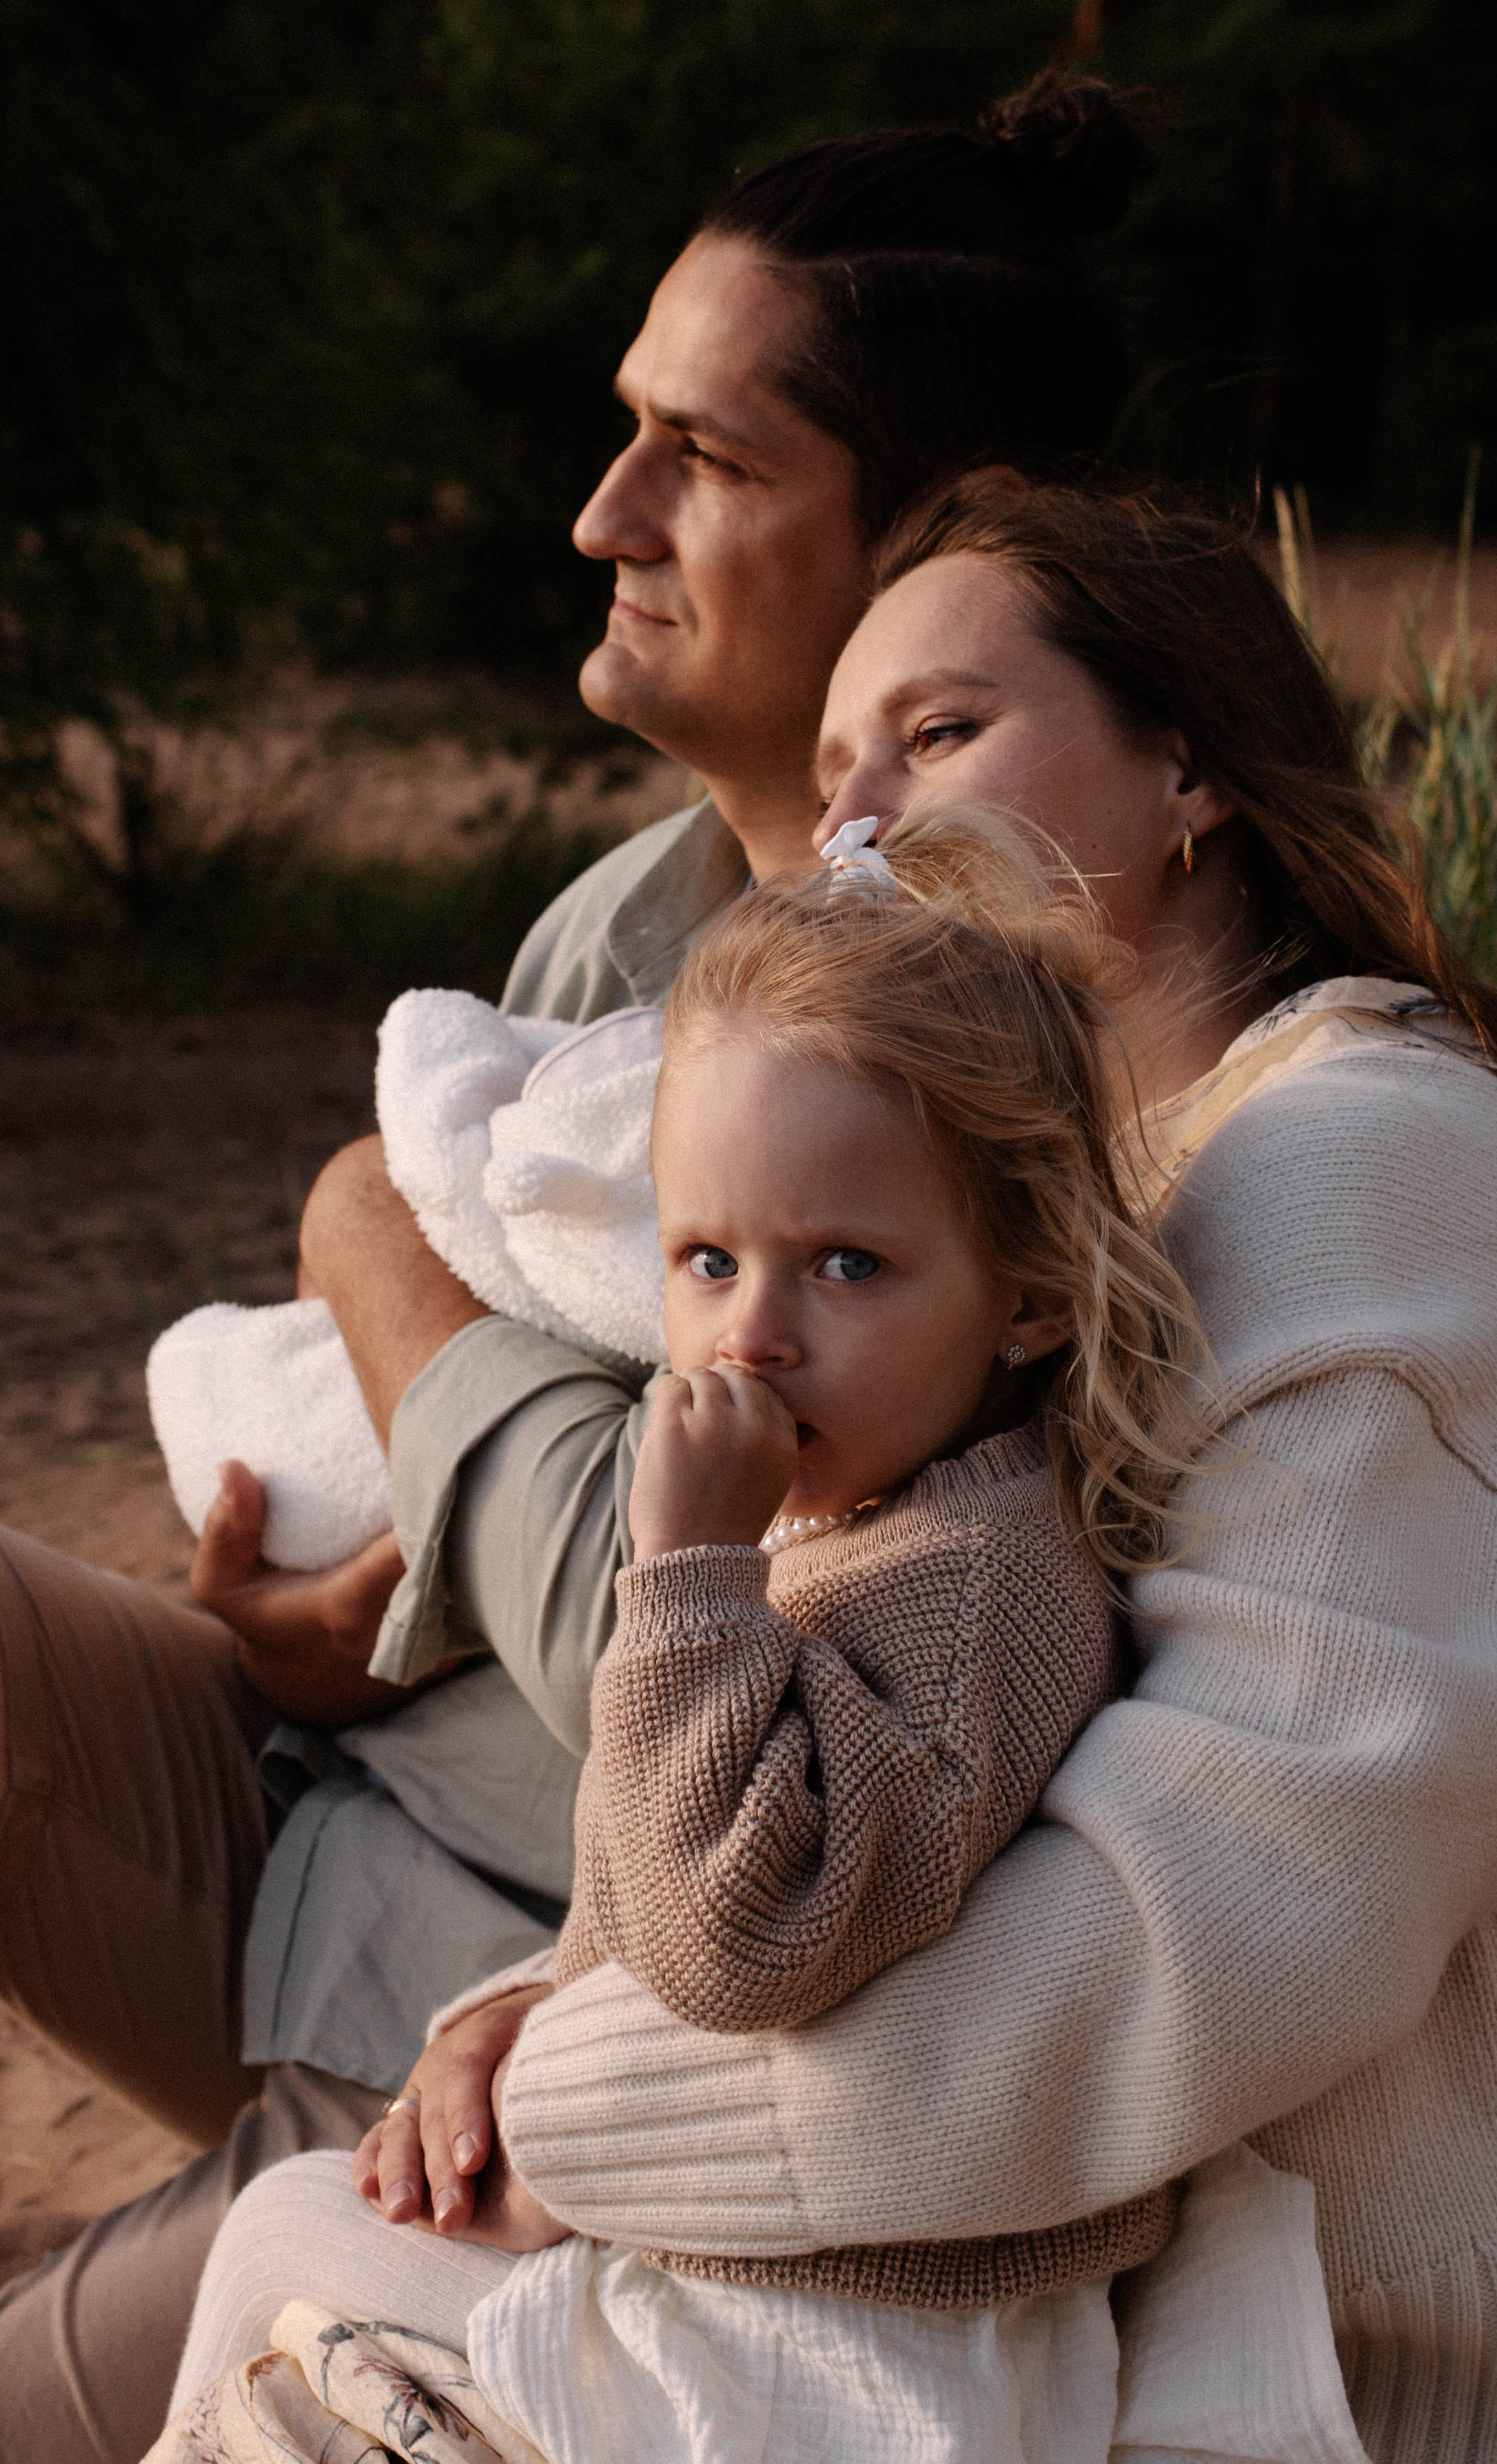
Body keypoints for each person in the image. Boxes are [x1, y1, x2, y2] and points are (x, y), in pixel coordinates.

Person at [356, 477, 1497, 2461]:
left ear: (1186, 770)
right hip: (1118, 2350)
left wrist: (575, 2097)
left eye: (936, 736)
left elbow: (1163, 1947)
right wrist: (538, 1996)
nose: (858, 827)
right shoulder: (1106, 1219)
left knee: (273, 2286)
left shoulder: (1365, 1172)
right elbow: (955, 1769)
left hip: (1391, 2399)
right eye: (837, 773)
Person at [0, 77, 1157, 2463]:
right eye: (623, 433)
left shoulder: (1018, 1023)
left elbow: (732, 1534)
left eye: (697, 459)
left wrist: (359, 1250)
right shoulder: (622, 924)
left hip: (533, 2011)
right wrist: (374, 1574)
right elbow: (524, 1492)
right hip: (341, 1782)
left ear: (933, 533)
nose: (596, 514)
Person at [157, 807, 1216, 2464]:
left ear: (1028, 1292)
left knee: (286, 2247)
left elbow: (749, 1933)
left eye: (847, 1264)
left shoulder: (980, 1583)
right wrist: (509, 2010)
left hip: (857, 2353)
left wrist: (687, 1576)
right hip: (755, 2290)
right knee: (285, 2242)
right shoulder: (874, 1521)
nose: (755, 1334)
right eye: (707, 1258)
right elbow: (651, 1892)